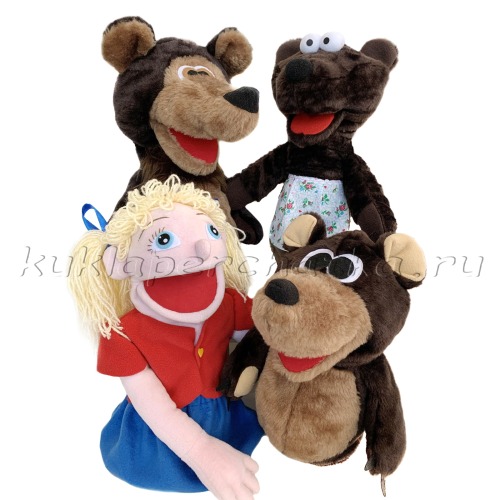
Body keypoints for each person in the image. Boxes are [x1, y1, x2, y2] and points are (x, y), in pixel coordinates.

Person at [68, 176, 263, 499]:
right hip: (154, 445)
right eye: (164, 239)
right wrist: (201, 451)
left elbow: (263, 340)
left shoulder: (228, 303)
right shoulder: (122, 332)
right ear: (119, 263)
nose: (203, 248)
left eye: (211, 231)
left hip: (228, 421)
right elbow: (153, 406)